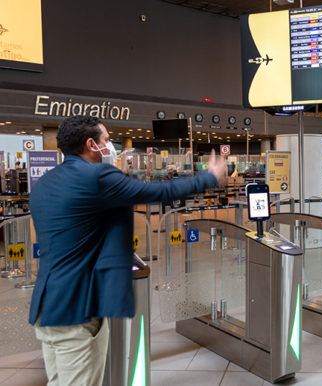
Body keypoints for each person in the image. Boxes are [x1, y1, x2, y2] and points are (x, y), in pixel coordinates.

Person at [28, 115, 226, 385]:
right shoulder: (97, 177)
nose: (111, 147)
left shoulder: (45, 183)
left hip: (46, 306)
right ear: (91, 144)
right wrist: (209, 177)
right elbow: (156, 191)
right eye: (107, 141)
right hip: (77, 309)